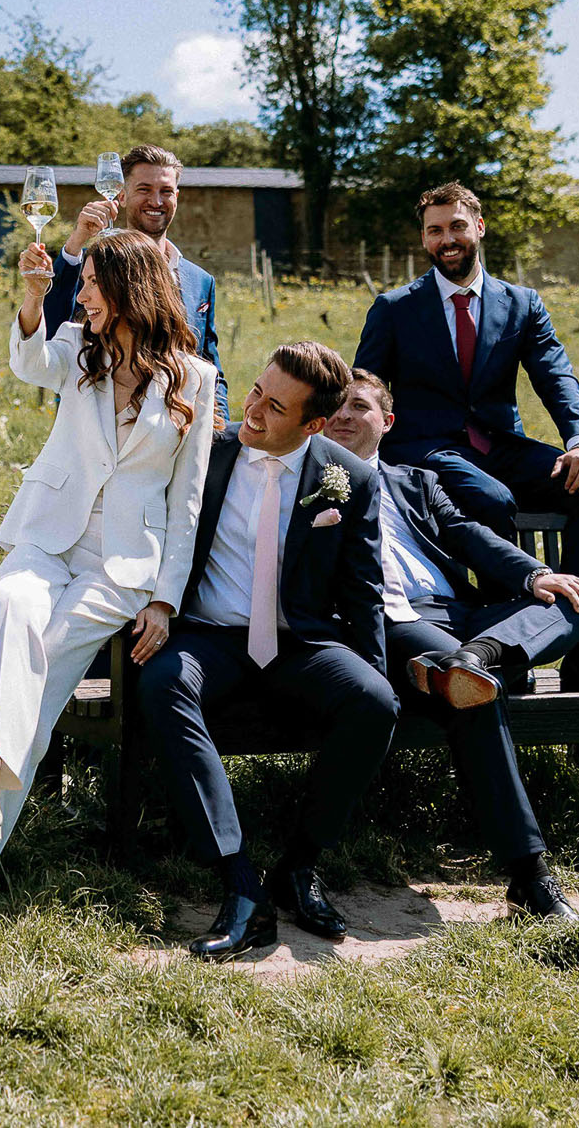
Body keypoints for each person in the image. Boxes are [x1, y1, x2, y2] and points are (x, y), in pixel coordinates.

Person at [0, 229, 216, 928]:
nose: (78, 292)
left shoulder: (194, 380)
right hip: (45, 537)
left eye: (88, 282)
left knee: (40, 666)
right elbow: (28, 362)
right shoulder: (79, 350)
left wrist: (166, 600)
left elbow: (189, 502)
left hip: (118, 568)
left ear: (126, 290)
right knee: (5, 609)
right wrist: (32, 295)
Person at [136, 341, 396, 960]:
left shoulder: (347, 478)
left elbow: (364, 589)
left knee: (374, 701)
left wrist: (373, 672)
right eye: (255, 390)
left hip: (297, 641)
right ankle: (241, 886)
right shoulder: (207, 452)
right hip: (208, 635)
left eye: (274, 407)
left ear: (313, 424)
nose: (251, 410)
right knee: (162, 680)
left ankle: (300, 868)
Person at [353, 181, 579, 693]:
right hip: (427, 451)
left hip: (500, 445)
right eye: (435, 230)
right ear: (424, 240)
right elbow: (366, 390)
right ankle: (499, 648)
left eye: (457, 226)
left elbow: (556, 376)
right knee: (490, 497)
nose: (447, 239)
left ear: (479, 228)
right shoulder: (396, 308)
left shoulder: (521, 303)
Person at [325, 369, 579, 918]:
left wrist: (533, 575)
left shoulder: (416, 483)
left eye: (359, 406)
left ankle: (478, 656)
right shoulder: (308, 483)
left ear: (388, 422)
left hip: (461, 617)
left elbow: (469, 536)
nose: (344, 417)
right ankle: (530, 875)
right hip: (395, 622)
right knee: (474, 693)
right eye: (334, 407)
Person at [42, 144, 229, 426]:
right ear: (122, 195)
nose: (156, 200)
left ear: (176, 197)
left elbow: (211, 367)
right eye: (144, 189)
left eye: (166, 191)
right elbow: (51, 330)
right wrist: (75, 244)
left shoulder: (201, 281)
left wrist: (220, 435)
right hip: (95, 435)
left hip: (177, 435)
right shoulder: (92, 269)